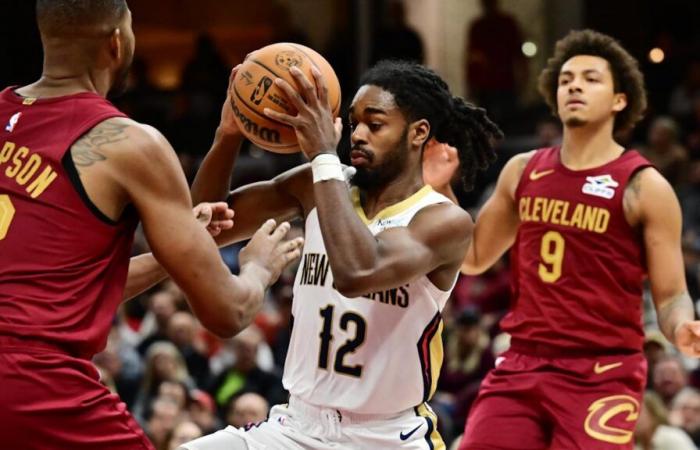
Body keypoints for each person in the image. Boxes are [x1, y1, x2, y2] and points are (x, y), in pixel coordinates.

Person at [0, 1, 303, 449]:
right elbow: (227, 313)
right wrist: (258, 267)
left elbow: (58, 293)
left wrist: (172, 258)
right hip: (36, 385)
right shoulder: (127, 142)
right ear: (117, 43)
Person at [181, 59, 501, 449]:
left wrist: (322, 157)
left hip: (383, 436)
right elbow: (206, 227)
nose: (358, 136)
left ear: (418, 133)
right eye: (354, 124)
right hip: (297, 425)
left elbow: (357, 271)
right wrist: (229, 134)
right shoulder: (320, 184)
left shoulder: (442, 221)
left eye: (375, 124)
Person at [451, 29, 700, 450]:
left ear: (620, 100)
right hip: (522, 361)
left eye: (590, 78)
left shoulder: (644, 186)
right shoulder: (522, 170)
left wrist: (680, 329)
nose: (575, 86)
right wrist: (442, 189)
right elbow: (473, 257)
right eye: (566, 80)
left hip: (602, 372)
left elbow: (672, 292)